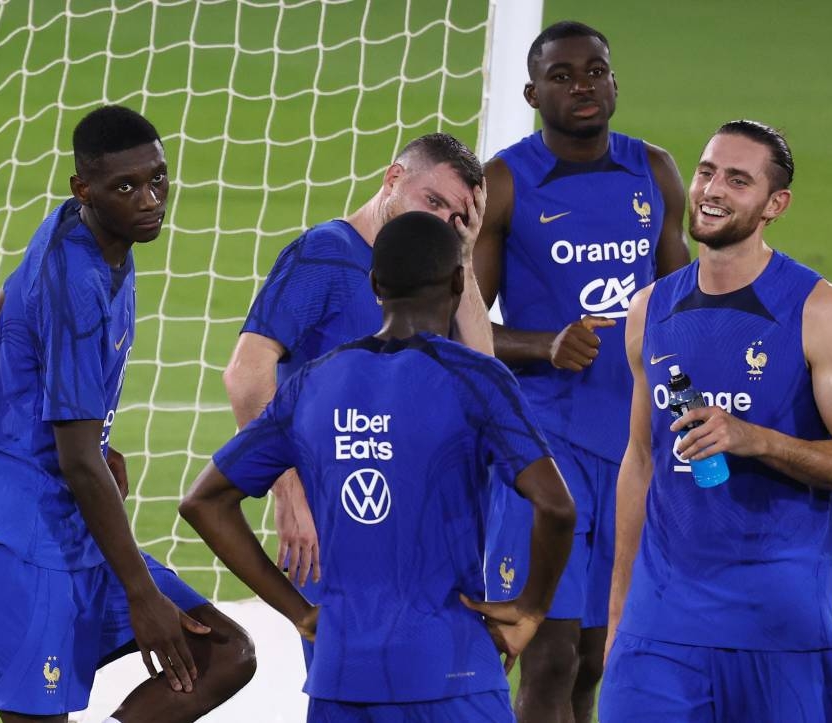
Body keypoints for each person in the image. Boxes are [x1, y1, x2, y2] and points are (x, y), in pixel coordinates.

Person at [181, 210, 575, 722]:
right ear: (458, 281)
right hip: (451, 674)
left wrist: (300, 611)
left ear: (374, 285)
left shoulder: (312, 385)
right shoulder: (477, 378)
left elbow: (202, 502)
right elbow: (557, 506)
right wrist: (529, 610)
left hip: (342, 678)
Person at [0, 106, 256, 722]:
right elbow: (77, 460)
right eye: (126, 187)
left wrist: (82, 423)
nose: (150, 200)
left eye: (158, 179)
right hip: (11, 527)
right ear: (84, 189)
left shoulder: (80, 229)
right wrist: (141, 593)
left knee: (224, 654)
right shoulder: (77, 280)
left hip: (63, 508)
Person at [599, 120, 832, 722]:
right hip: (660, 626)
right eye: (706, 171)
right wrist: (621, 610)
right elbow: (641, 460)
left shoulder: (819, 309)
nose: (712, 189)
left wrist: (756, 440)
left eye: (738, 179)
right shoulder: (650, 310)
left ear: (774, 204)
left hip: (775, 626)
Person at [473, 20, 690, 723]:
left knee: (601, 655)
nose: (582, 86)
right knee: (549, 655)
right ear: (533, 92)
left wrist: (689, 405)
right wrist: (545, 345)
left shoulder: (653, 171)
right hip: (548, 442)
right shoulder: (506, 182)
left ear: (614, 80)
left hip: (633, 441)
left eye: (595, 70)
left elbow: (683, 308)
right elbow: (464, 325)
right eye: (562, 76)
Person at [223, 133, 492, 591]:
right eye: (432, 202)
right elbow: (246, 373)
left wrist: (462, 258)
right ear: (393, 180)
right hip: (339, 520)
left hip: (427, 522)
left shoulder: (435, 272)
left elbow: (485, 379)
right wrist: (287, 492)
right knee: (346, 659)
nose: (441, 223)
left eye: (456, 219)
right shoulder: (324, 255)